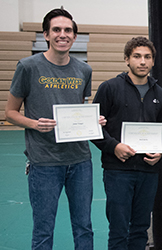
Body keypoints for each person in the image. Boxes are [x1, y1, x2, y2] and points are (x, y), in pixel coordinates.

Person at [5, 8, 103, 249]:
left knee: (84, 227)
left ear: (75, 36)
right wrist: (34, 124)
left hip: (80, 161)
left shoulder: (84, 70)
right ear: (46, 35)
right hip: (44, 162)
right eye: (56, 30)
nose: (63, 34)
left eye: (68, 30)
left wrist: (92, 122)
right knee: (43, 229)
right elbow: (10, 112)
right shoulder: (28, 67)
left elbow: (78, 110)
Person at [91, 36, 162, 249]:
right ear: (127, 60)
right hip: (118, 171)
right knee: (118, 228)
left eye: (147, 57)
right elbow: (93, 127)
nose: (142, 62)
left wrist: (160, 154)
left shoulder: (160, 94)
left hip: (148, 171)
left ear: (153, 61)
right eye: (137, 56)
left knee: (141, 228)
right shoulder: (110, 88)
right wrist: (113, 146)